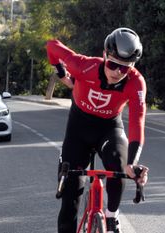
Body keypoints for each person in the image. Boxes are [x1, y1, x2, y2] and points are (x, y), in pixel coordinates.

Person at [46, 27, 149, 233]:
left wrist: (133, 163)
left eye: (125, 68)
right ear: (105, 55)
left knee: (119, 166)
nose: (117, 72)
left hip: (109, 128)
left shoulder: (136, 82)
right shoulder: (84, 66)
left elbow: (137, 121)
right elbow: (52, 46)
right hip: (79, 128)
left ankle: (112, 216)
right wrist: (60, 72)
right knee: (69, 203)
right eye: (113, 64)